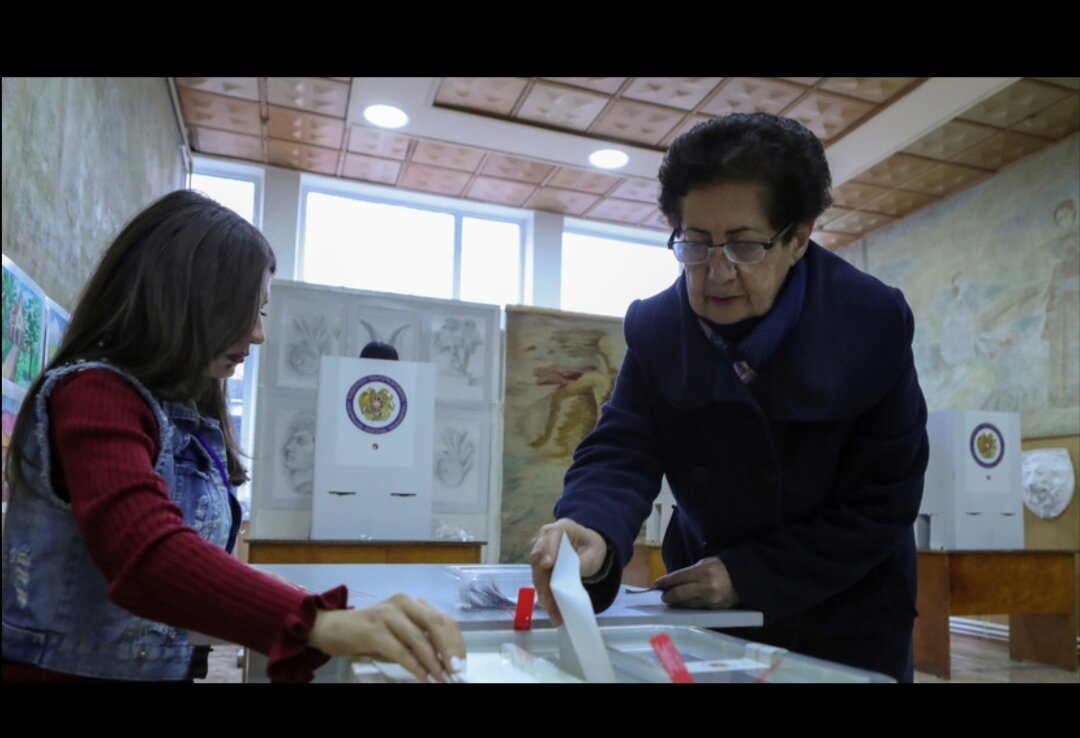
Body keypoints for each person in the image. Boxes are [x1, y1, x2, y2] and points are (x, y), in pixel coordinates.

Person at [2, 190, 465, 683]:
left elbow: (190, 564)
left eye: (260, 312)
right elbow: (146, 554)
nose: (258, 335)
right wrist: (322, 622)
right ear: (183, 298)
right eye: (244, 310)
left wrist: (288, 600)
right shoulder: (93, 393)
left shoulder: (187, 416)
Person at [530, 113, 929, 683]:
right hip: (710, 611)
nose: (715, 273)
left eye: (743, 246)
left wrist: (752, 574)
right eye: (695, 244)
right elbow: (622, 448)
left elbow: (884, 500)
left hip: (848, 610)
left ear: (798, 237)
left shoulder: (871, 322)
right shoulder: (658, 327)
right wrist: (590, 526)